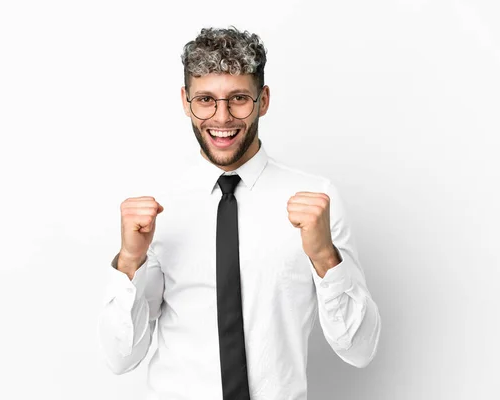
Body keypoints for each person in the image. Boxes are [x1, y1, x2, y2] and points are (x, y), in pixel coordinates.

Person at [97, 26, 381, 400]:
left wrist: (325, 257)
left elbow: (360, 350)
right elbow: (121, 357)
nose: (222, 118)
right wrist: (130, 261)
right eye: (205, 100)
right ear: (186, 101)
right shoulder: (157, 206)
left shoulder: (317, 199)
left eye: (239, 99)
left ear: (263, 100)